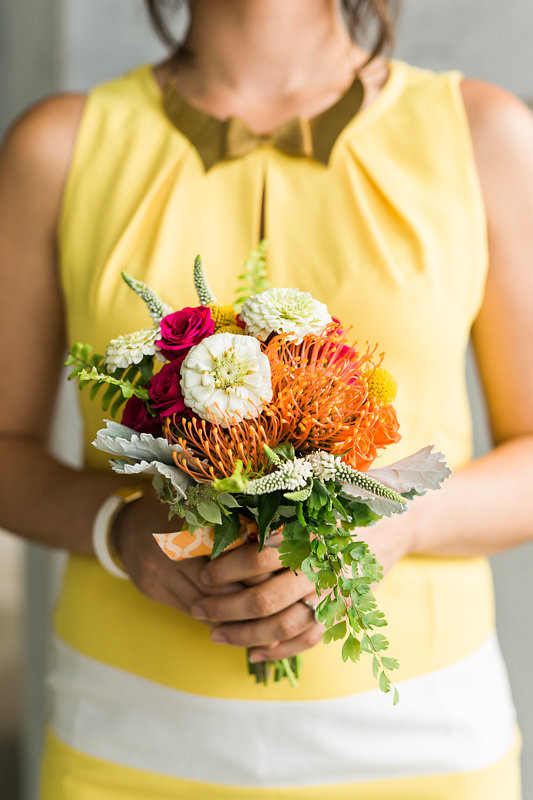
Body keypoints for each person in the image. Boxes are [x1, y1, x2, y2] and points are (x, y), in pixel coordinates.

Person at [1, 0, 532, 797]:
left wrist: (404, 515)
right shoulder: (59, 146)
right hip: (129, 737)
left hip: (423, 736)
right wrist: (119, 527)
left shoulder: (481, 132)